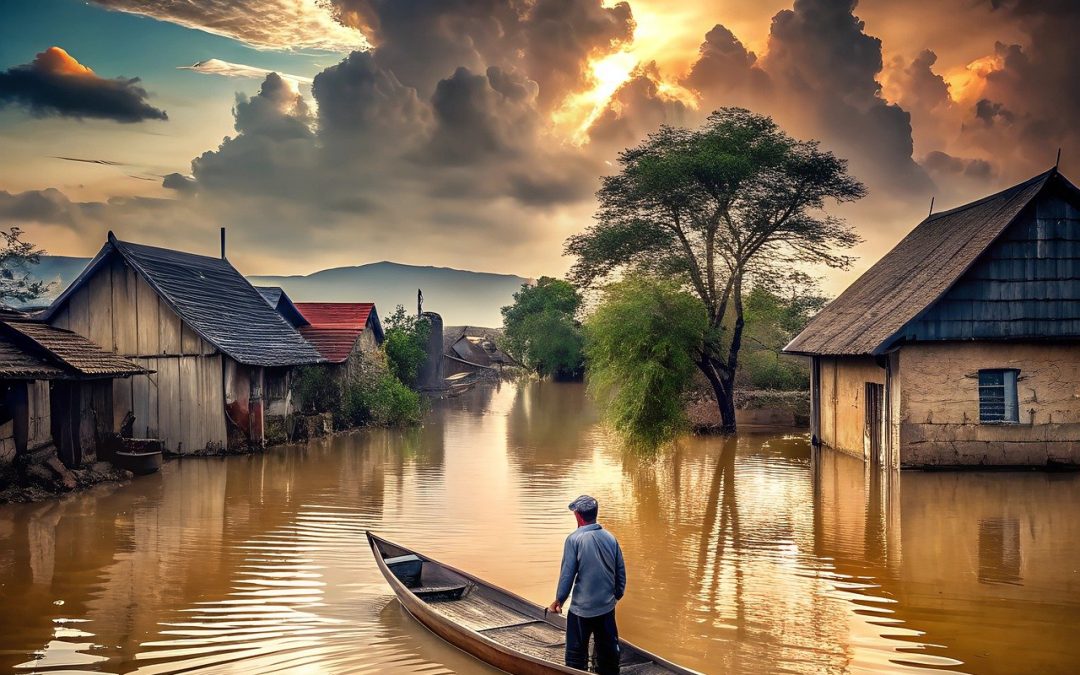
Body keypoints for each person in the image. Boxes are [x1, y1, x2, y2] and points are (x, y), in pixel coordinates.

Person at [548, 495, 626, 674]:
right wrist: (615, 597)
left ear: (578, 515)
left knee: (575, 656)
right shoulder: (610, 538)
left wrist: (558, 600)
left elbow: (567, 575)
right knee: (608, 656)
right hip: (606, 606)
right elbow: (621, 573)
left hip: (581, 610)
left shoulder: (574, 539)